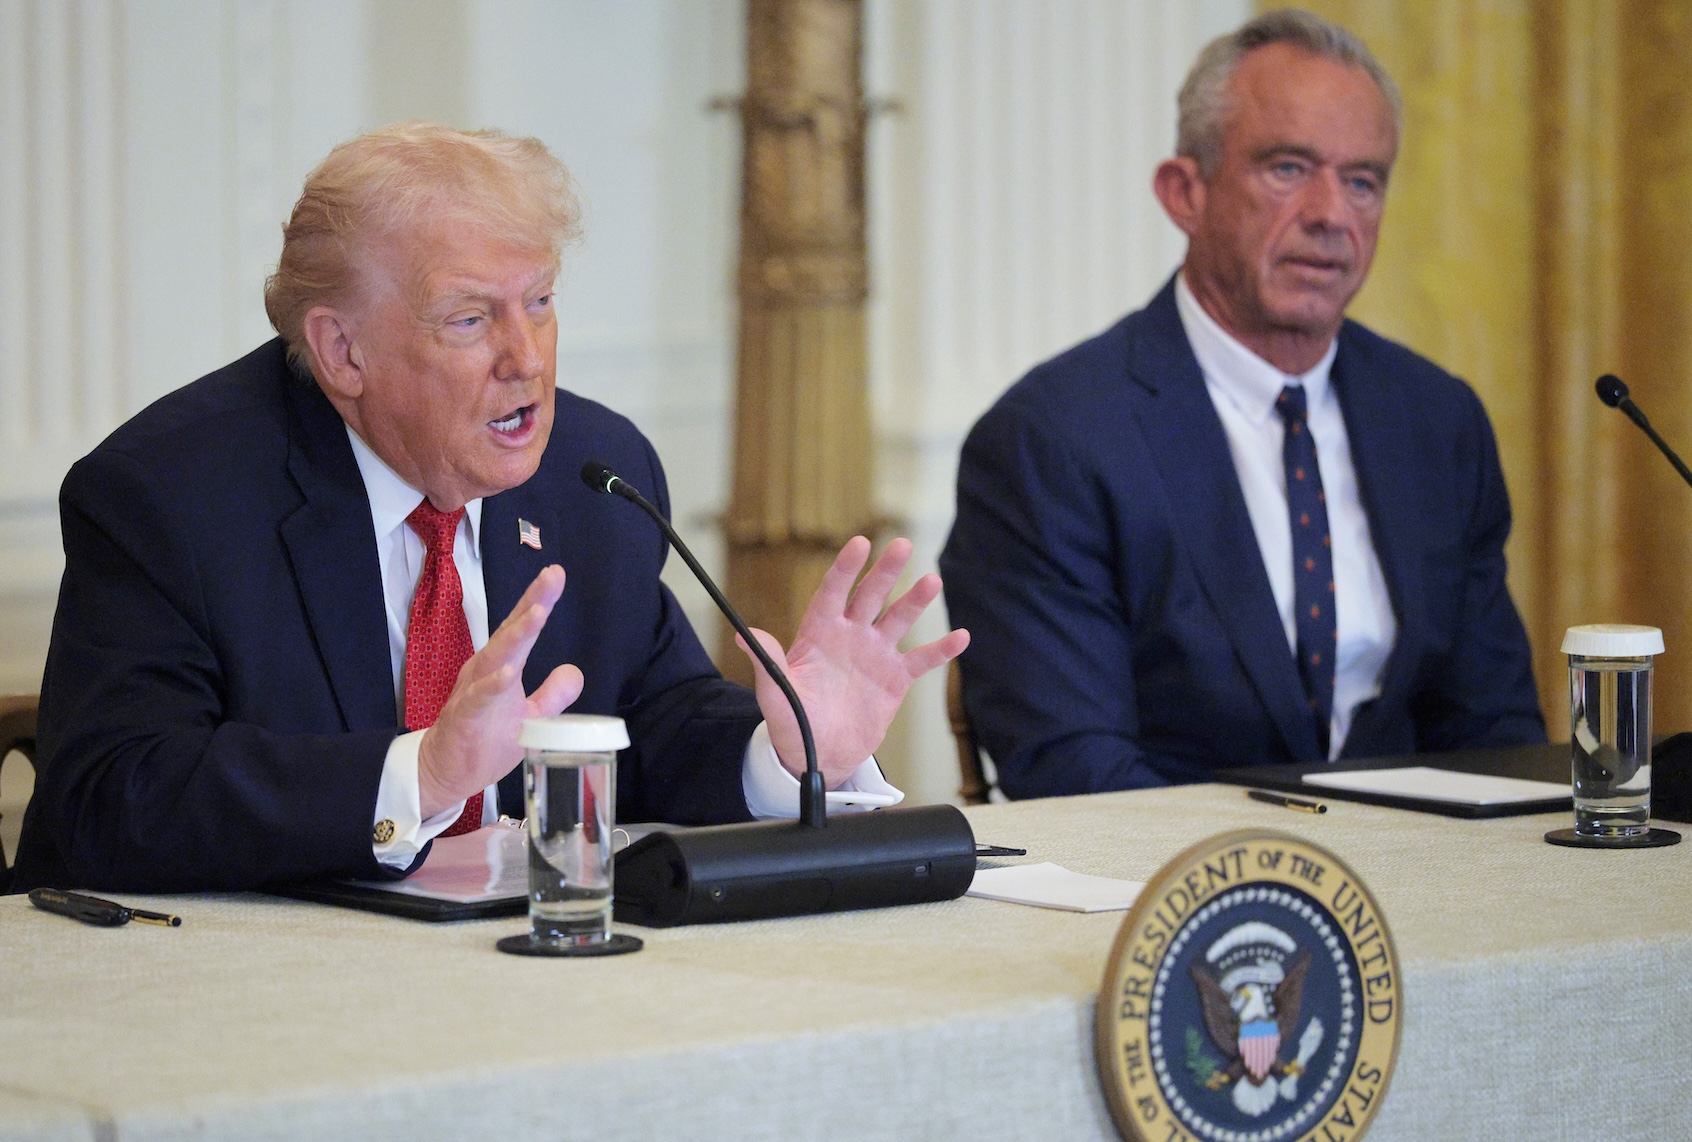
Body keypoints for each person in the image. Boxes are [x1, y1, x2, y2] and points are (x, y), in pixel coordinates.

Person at [11, 123, 967, 893]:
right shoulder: (171, 493)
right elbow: (106, 800)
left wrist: (788, 752)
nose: (529, 359)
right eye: (471, 319)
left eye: (541, 301)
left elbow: (655, 721)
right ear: (343, 352)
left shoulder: (595, 473)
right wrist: (418, 778)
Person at [939, 9, 1544, 800]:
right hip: (1177, 905)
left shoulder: (1437, 422)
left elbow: (1495, 737)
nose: (1331, 215)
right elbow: (1078, 776)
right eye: (1288, 169)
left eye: (1362, 181)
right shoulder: (1052, 442)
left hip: (1422, 898)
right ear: (1184, 193)